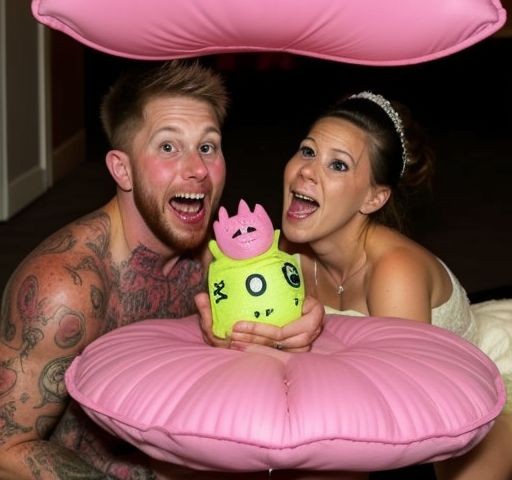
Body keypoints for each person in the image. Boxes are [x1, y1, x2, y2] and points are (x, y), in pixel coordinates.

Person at [0, 59, 323, 480]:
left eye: (208, 147)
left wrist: (293, 328)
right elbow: (6, 448)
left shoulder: (219, 263)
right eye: (168, 147)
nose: (198, 169)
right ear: (122, 169)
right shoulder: (65, 289)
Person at [281, 90, 512, 480]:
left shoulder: (395, 271)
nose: (307, 171)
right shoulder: (286, 256)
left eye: (338, 165)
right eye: (307, 151)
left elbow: (400, 414)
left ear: (374, 198)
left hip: (477, 386)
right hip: (356, 395)